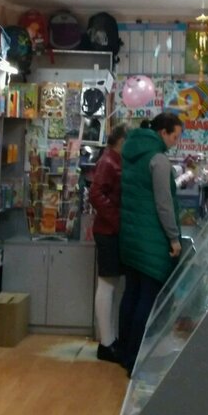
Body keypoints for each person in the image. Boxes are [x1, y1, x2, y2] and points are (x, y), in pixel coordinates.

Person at [117, 112, 184, 375]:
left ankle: (125, 352)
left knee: (131, 294)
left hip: (131, 237)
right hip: (152, 240)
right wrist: (174, 238)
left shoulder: (131, 152)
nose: (175, 142)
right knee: (147, 299)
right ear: (163, 132)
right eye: (175, 136)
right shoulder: (159, 160)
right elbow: (164, 204)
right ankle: (136, 359)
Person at [89, 123, 127, 362]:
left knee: (110, 285)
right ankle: (106, 342)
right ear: (122, 141)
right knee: (107, 284)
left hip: (110, 229)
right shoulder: (109, 162)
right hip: (108, 231)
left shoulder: (112, 160)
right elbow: (96, 194)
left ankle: (109, 339)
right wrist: (115, 219)